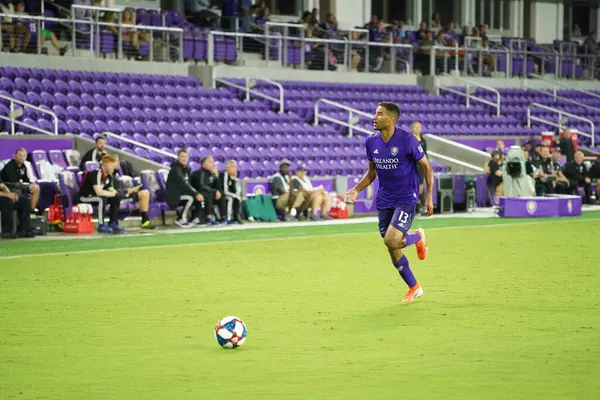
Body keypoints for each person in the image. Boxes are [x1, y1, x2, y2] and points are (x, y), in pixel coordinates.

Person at [345, 102, 433, 303]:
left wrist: (428, 197)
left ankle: (418, 238)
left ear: (391, 119)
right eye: (375, 113)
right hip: (385, 199)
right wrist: (356, 189)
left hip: (406, 198)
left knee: (392, 240)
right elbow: (372, 173)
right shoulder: (371, 142)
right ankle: (414, 287)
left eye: (379, 114)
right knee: (392, 247)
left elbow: (427, 167)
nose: (374, 117)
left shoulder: (407, 140)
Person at [78, 155, 124, 234]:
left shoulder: (109, 176)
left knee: (116, 198)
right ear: (104, 165)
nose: (113, 167)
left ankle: (112, 222)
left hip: (95, 197)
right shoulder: (96, 174)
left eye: (114, 165)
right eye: (111, 165)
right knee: (101, 199)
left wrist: (118, 194)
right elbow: (99, 192)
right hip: (84, 197)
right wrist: (113, 194)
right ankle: (101, 224)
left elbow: (111, 189)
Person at [112, 157, 155, 229]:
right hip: (120, 196)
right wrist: (130, 191)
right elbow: (116, 191)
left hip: (124, 193)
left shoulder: (117, 174)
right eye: (116, 162)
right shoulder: (111, 175)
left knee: (145, 192)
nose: (118, 164)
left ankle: (145, 221)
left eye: (118, 162)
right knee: (143, 193)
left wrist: (132, 190)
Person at [166, 150, 204, 228]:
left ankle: (195, 218)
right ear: (178, 157)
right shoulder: (175, 169)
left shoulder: (187, 169)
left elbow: (188, 184)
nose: (184, 159)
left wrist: (197, 193)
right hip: (173, 196)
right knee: (190, 198)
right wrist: (195, 193)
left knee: (201, 197)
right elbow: (183, 183)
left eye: (186, 156)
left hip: (182, 193)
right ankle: (180, 219)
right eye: (182, 156)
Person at [0, 148, 40, 212]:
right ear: (15, 156)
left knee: (36, 188)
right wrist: (24, 184)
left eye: (24, 156)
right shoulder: (10, 165)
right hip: (8, 185)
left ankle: (31, 210)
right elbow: (12, 180)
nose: (22, 158)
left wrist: (31, 184)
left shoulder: (23, 166)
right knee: (18, 190)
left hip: (19, 184)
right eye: (20, 155)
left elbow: (25, 179)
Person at [190, 156, 225, 225]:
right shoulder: (200, 172)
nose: (213, 164)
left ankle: (223, 218)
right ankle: (208, 217)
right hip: (197, 194)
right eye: (210, 162)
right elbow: (202, 186)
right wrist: (214, 191)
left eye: (213, 162)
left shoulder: (210, 173)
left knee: (222, 194)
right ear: (203, 164)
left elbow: (219, 188)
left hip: (207, 194)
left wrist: (216, 177)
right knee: (209, 194)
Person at [411, 121, 428, 214]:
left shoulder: (423, 140)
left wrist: (427, 165)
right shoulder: (409, 140)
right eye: (416, 127)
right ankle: (412, 208)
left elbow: (425, 154)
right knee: (412, 187)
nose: (417, 129)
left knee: (420, 187)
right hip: (411, 167)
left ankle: (421, 207)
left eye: (419, 127)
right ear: (412, 128)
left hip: (420, 167)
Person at [219, 160, 243, 224]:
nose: (235, 169)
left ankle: (236, 216)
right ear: (227, 168)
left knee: (237, 198)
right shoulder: (224, 174)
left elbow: (235, 190)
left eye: (235, 167)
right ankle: (228, 218)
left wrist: (233, 180)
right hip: (220, 193)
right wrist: (236, 196)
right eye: (233, 167)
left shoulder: (231, 177)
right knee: (231, 198)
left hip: (226, 193)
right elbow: (225, 190)